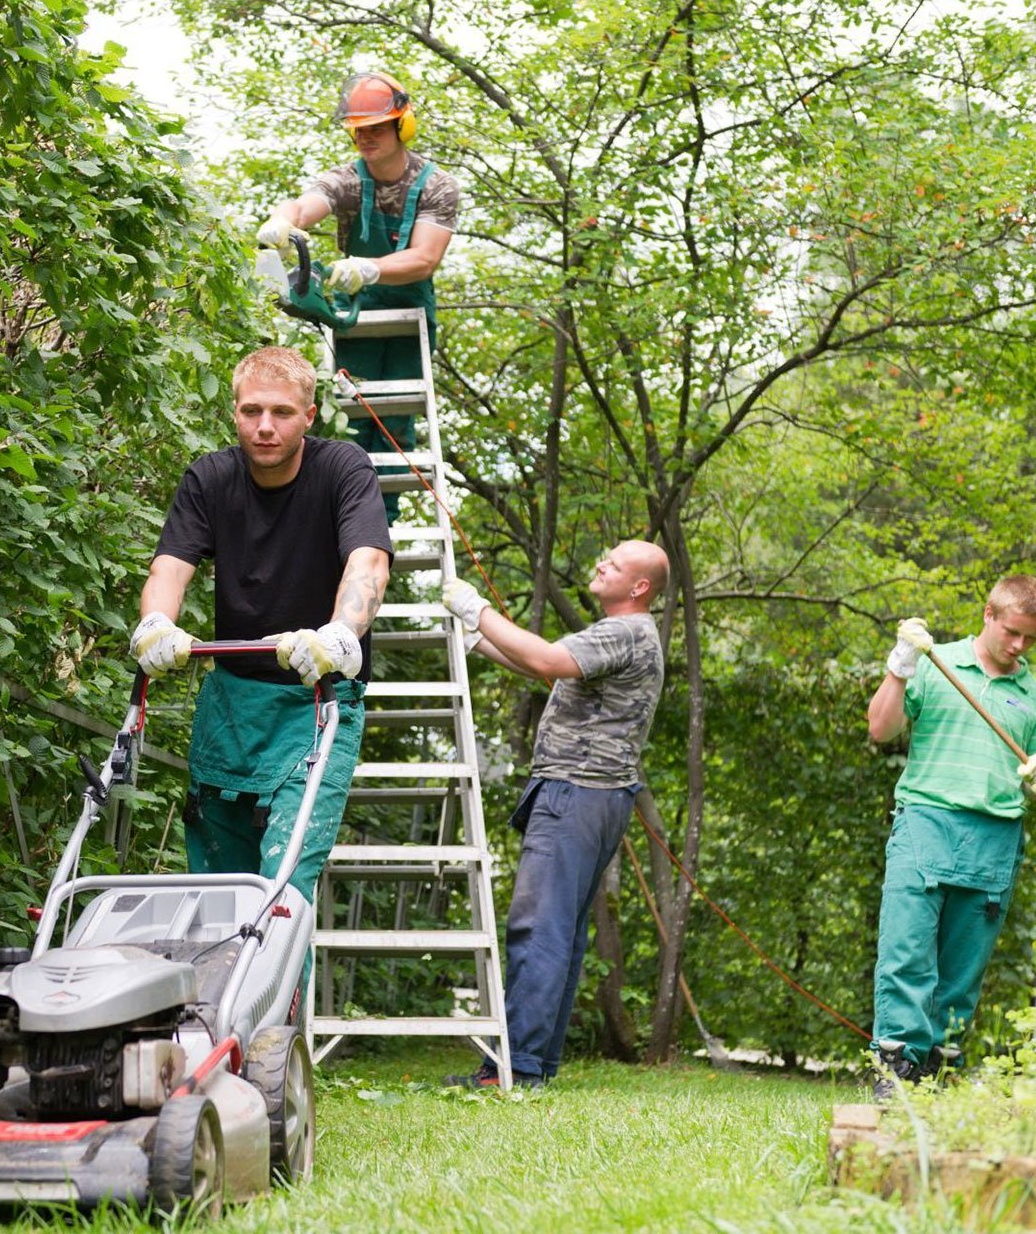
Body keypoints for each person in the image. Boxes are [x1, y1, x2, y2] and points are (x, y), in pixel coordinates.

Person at [131, 346, 392, 902]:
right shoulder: (210, 478)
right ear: (234, 413)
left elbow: (368, 562)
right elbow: (169, 568)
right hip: (231, 708)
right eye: (251, 411)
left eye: (281, 413)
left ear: (309, 415)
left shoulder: (343, 470)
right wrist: (155, 622)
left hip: (318, 703)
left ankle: (280, 992)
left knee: (283, 888)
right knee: (215, 889)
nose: (265, 427)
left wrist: (340, 633)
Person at [438, 541, 669, 1090]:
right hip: (596, 797)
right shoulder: (627, 635)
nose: (600, 563)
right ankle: (531, 1066)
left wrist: (479, 610)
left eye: (613, 564)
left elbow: (544, 659)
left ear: (639, 588)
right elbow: (545, 666)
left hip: (577, 793)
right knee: (559, 933)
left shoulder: (625, 631)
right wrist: (481, 638)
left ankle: (513, 1070)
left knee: (538, 929)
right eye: (604, 557)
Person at [865, 574, 1036, 1098]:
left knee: (962, 970)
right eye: (1013, 632)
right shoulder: (936, 665)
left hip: (993, 839)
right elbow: (880, 730)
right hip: (925, 823)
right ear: (989, 615)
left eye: (1031, 638)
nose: (1019, 646)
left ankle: (938, 1068)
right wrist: (899, 670)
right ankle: (896, 1069)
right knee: (906, 952)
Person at [256, 72, 461, 521]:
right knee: (351, 418)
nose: (364, 137)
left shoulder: (436, 186)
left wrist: (371, 268)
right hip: (357, 310)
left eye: (375, 127)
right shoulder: (347, 179)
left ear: (401, 126)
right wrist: (284, 219)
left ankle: (381, 522)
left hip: (409, 311)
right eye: (358, 129)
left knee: (394, 428)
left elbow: (425, 258)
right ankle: (342, 519)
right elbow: (309, 203)